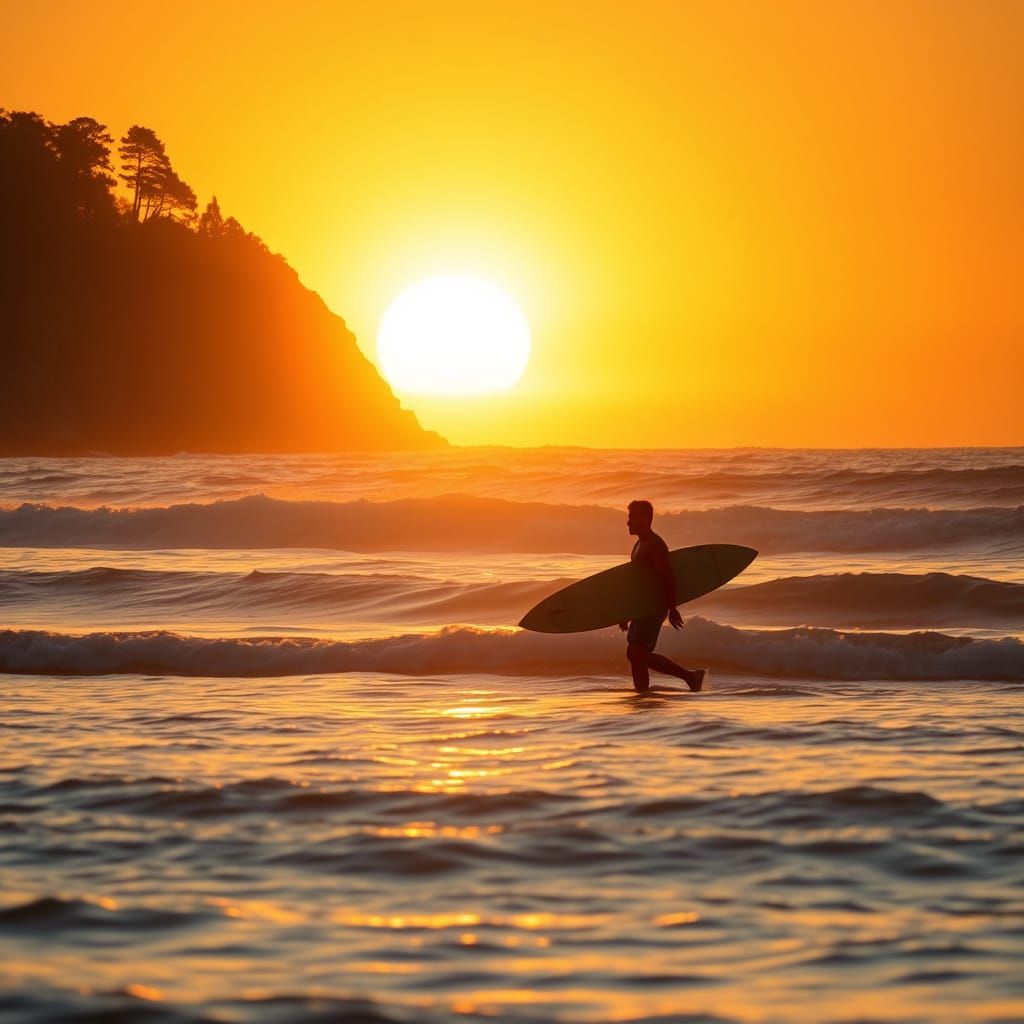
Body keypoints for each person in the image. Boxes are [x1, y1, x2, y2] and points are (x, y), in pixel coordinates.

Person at [620, 499, 706, 694]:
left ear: (644, 518)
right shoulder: (639, 544)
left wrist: (672, 608)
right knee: (634, 655)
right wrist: (625, 611)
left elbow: (668, 577)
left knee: (637, 653)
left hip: (653, 606)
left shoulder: (655, 545)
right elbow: (637, 582)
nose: (628, 522)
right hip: (642, 606)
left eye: (631, 517)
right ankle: (642, 694)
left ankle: (690, 677)